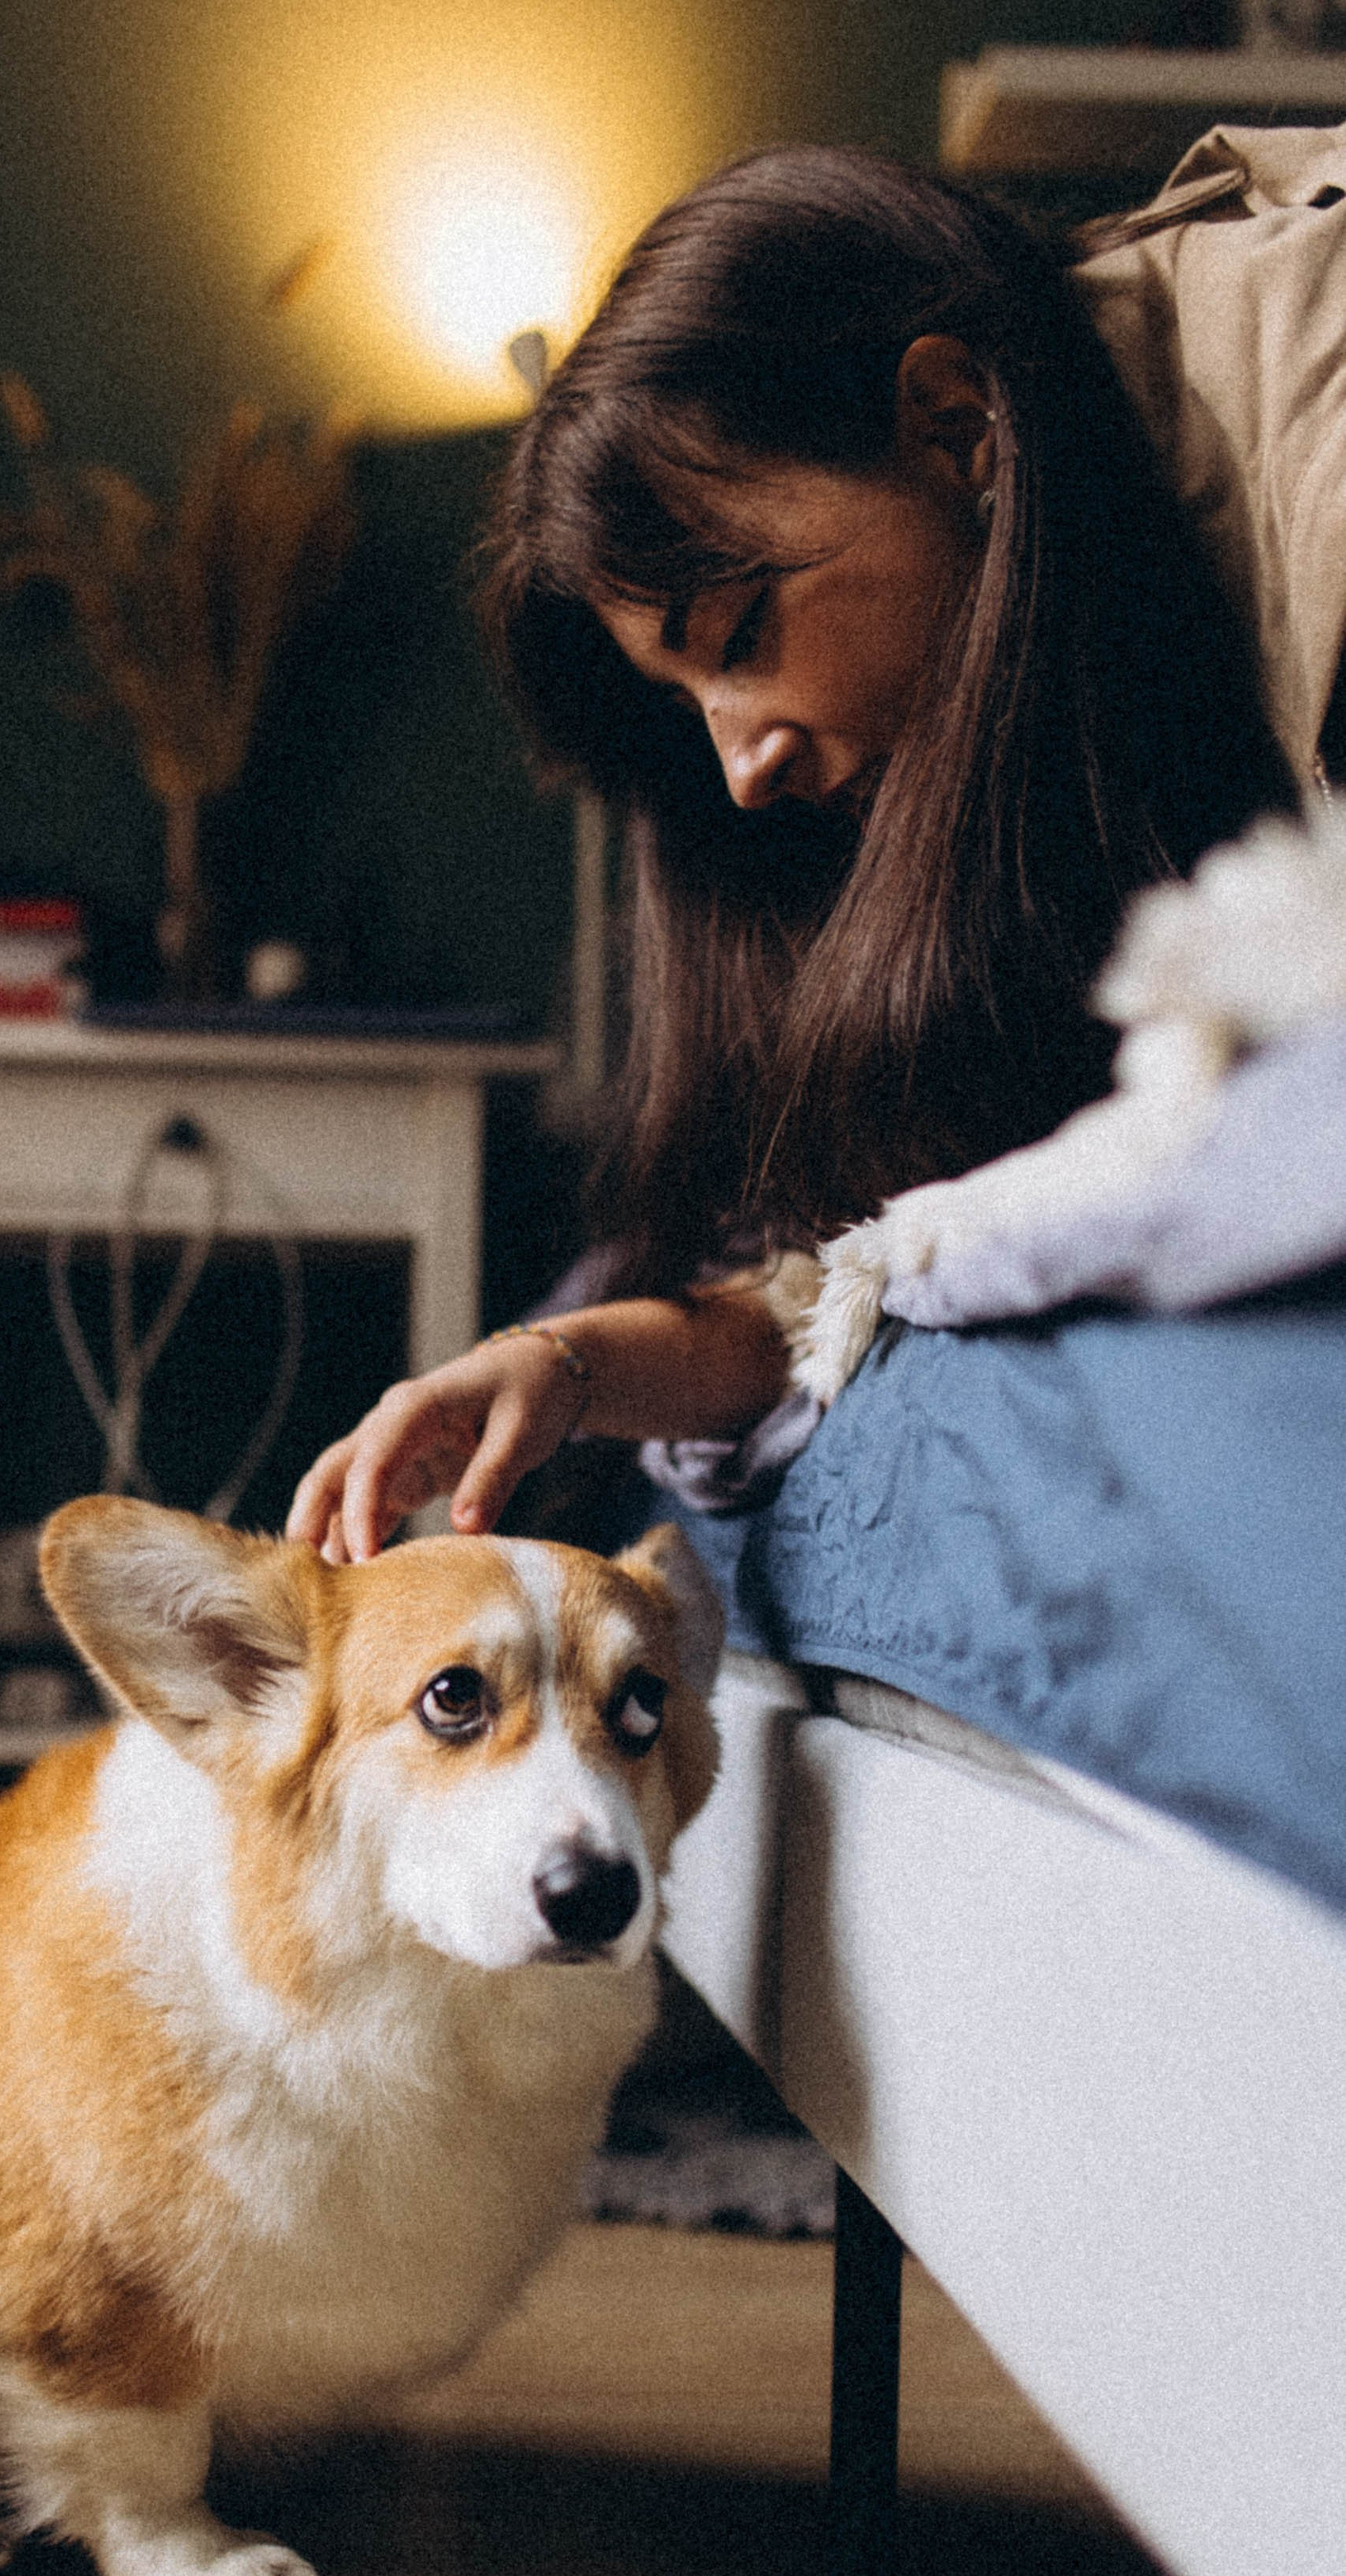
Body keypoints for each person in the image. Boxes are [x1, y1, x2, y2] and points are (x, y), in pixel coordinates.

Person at [288, 135, 1342, 1567]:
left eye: (739, 637)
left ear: (957, 423)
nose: (740, 768)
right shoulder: (981, 729)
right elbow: (873, 1255)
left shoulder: (1312, 400)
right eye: (689, 702)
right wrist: (571, 1364)